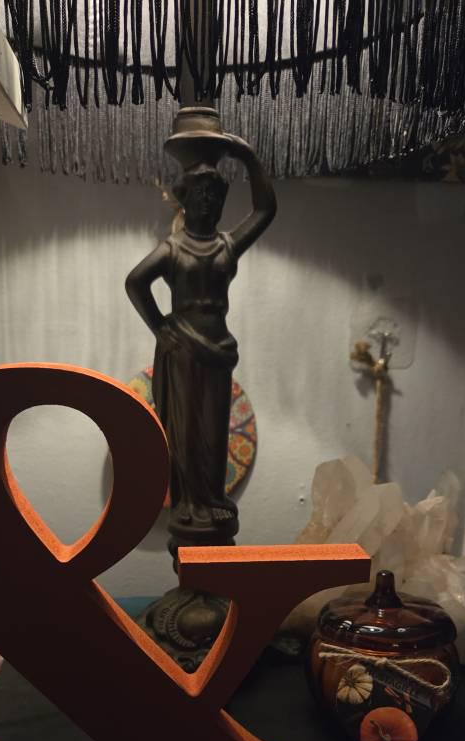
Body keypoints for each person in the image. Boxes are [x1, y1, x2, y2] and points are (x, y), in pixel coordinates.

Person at [125, 127, 276, 555]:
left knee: (215, 428)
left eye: (215, 195)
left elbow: (266, 209)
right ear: (184, 198)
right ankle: (191, 504)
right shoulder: (173, 249)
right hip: (185, 348)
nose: (208, 201)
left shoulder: (227, 246)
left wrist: (249, 157)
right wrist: (161, 328)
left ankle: (212, 499)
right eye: (200, 193)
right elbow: (135, 283)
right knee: (187, 429)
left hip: (219, 349)